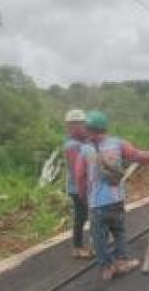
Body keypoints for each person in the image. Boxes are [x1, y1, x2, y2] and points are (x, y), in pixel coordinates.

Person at [75, 110, 149, 281]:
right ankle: (122, 262)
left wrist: (82, 195)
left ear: (89, 129)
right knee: (119, 231)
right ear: (104, 127)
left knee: (99, 237)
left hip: (96, 204)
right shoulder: (118, 144)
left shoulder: (85, 150)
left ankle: (107, 268)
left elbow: (79, 176)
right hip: (116, 200)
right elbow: (140, 156)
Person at [63, 109, 93, 259]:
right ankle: (78, 248)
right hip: (78, 188)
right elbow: (77, 172)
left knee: (88, 214)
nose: (85, 128)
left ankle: (93, 242)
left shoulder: (82, 142)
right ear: (73, 127)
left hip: (85, 186)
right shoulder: (72, 146)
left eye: (85, 124)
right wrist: (84, 189)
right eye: (82, 125)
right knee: (81, 216)